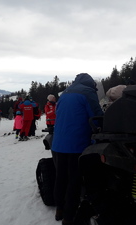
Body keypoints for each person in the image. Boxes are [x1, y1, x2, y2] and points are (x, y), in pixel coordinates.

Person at [51, 73, 104, 225]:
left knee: (61, 177)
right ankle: (69, 217)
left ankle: (59, 209)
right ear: (91, 84)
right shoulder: (88, 92)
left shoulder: (66, 93)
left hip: (59, 143)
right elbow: (96, 115)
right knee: (74, 180)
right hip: (76, 143)